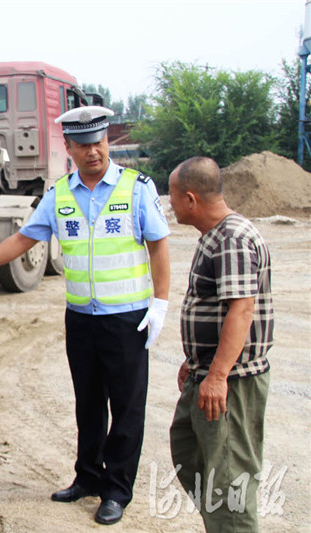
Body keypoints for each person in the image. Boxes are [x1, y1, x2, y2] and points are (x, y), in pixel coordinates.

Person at [0, 105, 171, 525]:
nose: (94, 152)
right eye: (84, 146)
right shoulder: (59, 195)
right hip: (81, 319)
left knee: (127, 407)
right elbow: (25, 238)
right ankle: (88, 478)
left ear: (107, 142)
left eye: (100, 143)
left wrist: (161, 303)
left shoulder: (136, 189)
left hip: (127, 318)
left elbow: (158, 245)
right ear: (69, 148)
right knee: (88, 404)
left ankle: (116, 490)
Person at [167, 156, 274, 532]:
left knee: (230, 481)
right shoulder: (216, 236)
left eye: (173, 196)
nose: (171, 204)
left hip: (232, 382)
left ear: (191, 199)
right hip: (209, 371)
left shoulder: (232, 239)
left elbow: (241, 312)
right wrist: (197, 361)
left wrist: (216, 376)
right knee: (189, 449)